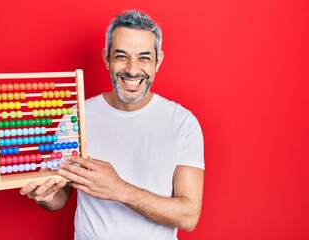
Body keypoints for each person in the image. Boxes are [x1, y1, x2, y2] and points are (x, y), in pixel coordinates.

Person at [20, 9, 204, 240]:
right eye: (121, 56)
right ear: (107, 58)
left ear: (158, 61)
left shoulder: (183, 123)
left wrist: (119, 190)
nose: (133, 69)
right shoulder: (77, 117)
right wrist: (45, 197)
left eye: (144, 57)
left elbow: (189, 216)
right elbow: (61, 195)